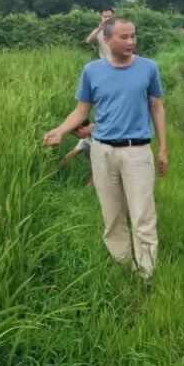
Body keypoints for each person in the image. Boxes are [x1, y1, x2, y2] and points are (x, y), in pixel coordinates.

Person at [43, 17, 167, 280]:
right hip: (102, 151)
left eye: (133, 36)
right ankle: (121, 264)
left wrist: (163, 148)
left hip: (137, 151)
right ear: (107, 39)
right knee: (112, 214)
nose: (131, 41)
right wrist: (61, 130)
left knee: (143, 213)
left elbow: (156, 106)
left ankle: (146, 272)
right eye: (124, 37)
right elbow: (81, 110)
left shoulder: (148, 68)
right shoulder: (92, 71)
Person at [59, 120, 95, 186]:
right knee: (86, 148)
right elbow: (73, 153)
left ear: (80, 127)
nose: (77, 137)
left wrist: (89, 185)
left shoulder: (101, 134)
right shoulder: (86, 138)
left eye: (75, 134)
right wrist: (57, 168)